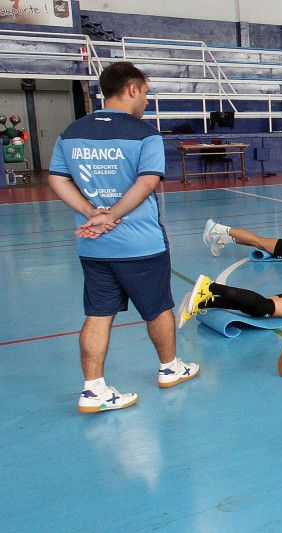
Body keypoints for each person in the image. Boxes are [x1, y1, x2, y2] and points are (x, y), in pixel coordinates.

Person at [46, 61, 201, 413]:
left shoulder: (70, 132)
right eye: (145, 92)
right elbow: (146, 183)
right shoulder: (144, 134)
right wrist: (111, 216)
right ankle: (169, 368)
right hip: (140, 244)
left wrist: (92, 214)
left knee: (98, 314)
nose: (146, 100)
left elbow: (57, 179)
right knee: (159, 308)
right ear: (131, 88)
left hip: (93, 245)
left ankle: (93, 389)